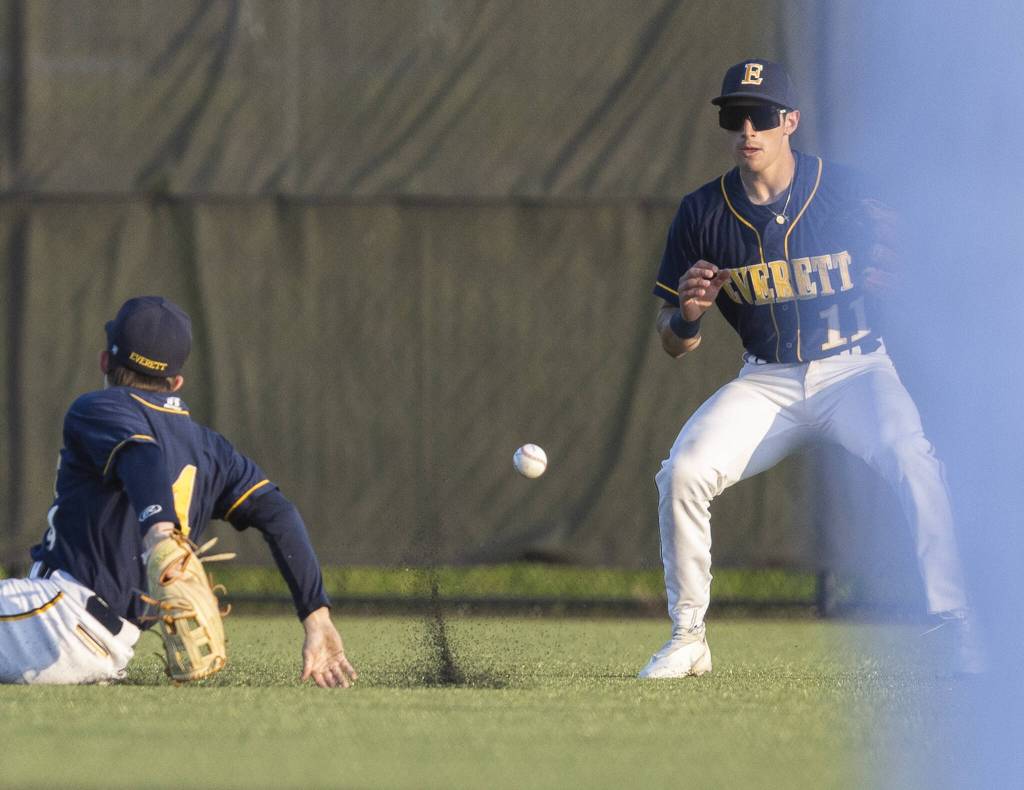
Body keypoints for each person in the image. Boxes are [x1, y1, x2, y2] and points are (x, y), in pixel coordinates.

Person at [639, 59, 980, 678]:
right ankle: (689, 637)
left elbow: (922, 266)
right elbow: (672, 341)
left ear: (790, 122)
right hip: (766, 379)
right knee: (683, 472)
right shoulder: (703, 213)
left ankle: (958, 624)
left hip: (856, 369)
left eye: (763, 116)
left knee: (911, 456)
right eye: (735, 116)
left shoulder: (849, 192)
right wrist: (687, 317)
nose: (749, 129)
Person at [0, 296, 358, 688]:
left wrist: (159, 533)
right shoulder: (211, 450)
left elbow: (143, 454)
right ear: (176, 382)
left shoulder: (98, 408)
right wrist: (317, 617)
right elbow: (280, 515)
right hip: (105, 650)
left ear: (106, 362)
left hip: (55, 621)